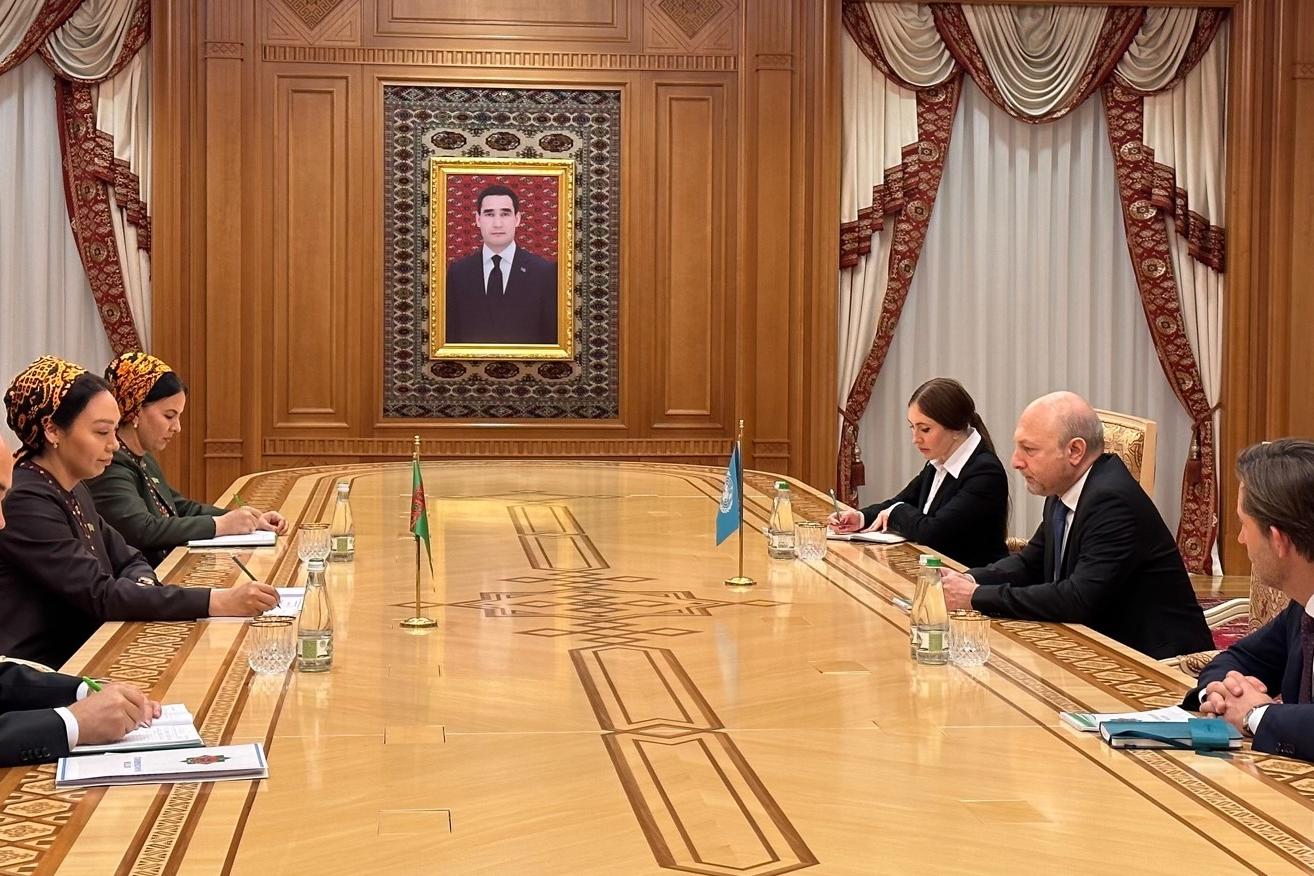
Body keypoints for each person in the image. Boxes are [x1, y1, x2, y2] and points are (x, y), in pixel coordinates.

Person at [0, 356, 280, 669]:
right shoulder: (26, 499)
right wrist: (219, 601)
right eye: (102, 432)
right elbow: (100, 594)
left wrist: (141, 585)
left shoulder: (73, 486)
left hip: (96, 646)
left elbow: (129, 558)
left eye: (113, 431)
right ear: (52, 430)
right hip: (46, 671)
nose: (114, 445)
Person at [939, 391, 1212, 660]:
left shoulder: (1112, 501)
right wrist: (968, 579)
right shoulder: (1064, 488)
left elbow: (1077, 599)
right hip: (1096, 645)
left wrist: (976, 597)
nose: (1015, 461)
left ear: (1075, 451)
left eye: (1029, 449)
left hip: (1158, 663)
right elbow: (1029, 564)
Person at [0, 438, 164, 766]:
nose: (2, 522)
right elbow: (99, 591)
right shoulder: (34, 496)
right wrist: (73, 723)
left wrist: (82, 690)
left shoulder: (76, 490)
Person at [88, 352, 287, 567]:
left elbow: (180, 507)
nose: (177, 427)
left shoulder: (142, 458)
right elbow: (142, 529)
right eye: (169, 416)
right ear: (136, 410)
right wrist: (219, 525)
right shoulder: (109, 463)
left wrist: (249, 519)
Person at [1183, 440, 1314, 761]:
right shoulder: (1303, 604)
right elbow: (1238, 659)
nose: (1241, 539)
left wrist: (1256, 714)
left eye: (1244, 524)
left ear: (1278, 540)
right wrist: (1220, 694)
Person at [827, 378, 1008, 567]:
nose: (915, 439)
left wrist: (896, 512)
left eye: (925, 429)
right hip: (935, 571)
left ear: (955, 429)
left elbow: (933, 532)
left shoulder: (985, 473)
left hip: (970, 577)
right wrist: (861, 517)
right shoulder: (938, 461)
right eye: (912, 427)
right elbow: (901, 501)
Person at [444, 183, 558, 345]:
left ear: (517, 219)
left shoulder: (544, 273)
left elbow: (552, 340)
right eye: (489, 214)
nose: (497, 223)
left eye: (505, 214)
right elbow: (450, 337)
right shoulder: (458, 273)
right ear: (478, 219)